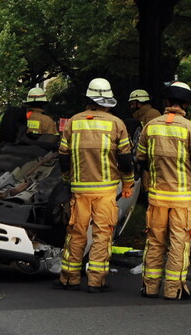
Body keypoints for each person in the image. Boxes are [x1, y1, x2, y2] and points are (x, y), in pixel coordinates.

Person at [55, 78, 135, 292]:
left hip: (79, 189)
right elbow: (126, 159)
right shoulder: (116, 124)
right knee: (102, 234)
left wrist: (66, 179)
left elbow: (63, 155)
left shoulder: (73, 122)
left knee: (76, 232)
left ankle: (69, 278)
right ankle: (96, 281)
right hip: (106, 190)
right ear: (107, 102)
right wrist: (128, 183)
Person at [136, 82, 191, 300]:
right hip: (182, 198)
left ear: (167, 103)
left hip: (157, 196)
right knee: (179, 243)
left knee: (155, 242)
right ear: (186, 105)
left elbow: (141, 158)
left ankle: (149, 287)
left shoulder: (151, 126)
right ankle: (173, 289)